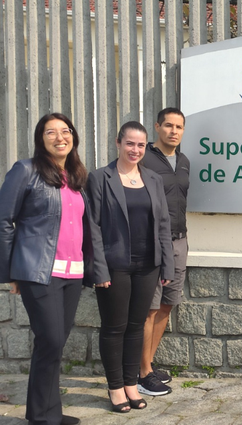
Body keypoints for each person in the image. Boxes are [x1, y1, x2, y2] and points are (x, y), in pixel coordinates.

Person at [0, 113, 105, 425]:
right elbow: (3, 220)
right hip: (39, 272)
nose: (60, 137)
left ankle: (46, 413)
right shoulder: (25, 170)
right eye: (51, 132)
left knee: (55, 343)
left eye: (65, 131)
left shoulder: (76, 177)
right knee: (51, 340)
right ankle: (43, 416)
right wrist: (10, 272)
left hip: (72, 274)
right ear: (40, 139)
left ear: (73, 137)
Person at [87, 121, 175, 412]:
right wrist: (99, 269)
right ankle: (115, 388)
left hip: (147, 265)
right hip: (114, 266)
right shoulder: (100, 178)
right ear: (118, 143)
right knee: (115, 328)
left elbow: (163, 224)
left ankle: (130, 384)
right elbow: (93, 227)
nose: (135, 150)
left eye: (140, 145)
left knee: (136, 327)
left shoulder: (153, 179)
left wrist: (167, 265)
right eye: (129, 143)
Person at [139, 108, 190, 396]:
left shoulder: (183, 161)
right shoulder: (143, 158)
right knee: (150, 308)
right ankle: (142, 373)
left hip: (180, 241)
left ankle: (147, 364)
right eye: (168, 125)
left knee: (167, 304)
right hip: (154, 243)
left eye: (179, 127)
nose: (173, 131)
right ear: (157, 127)